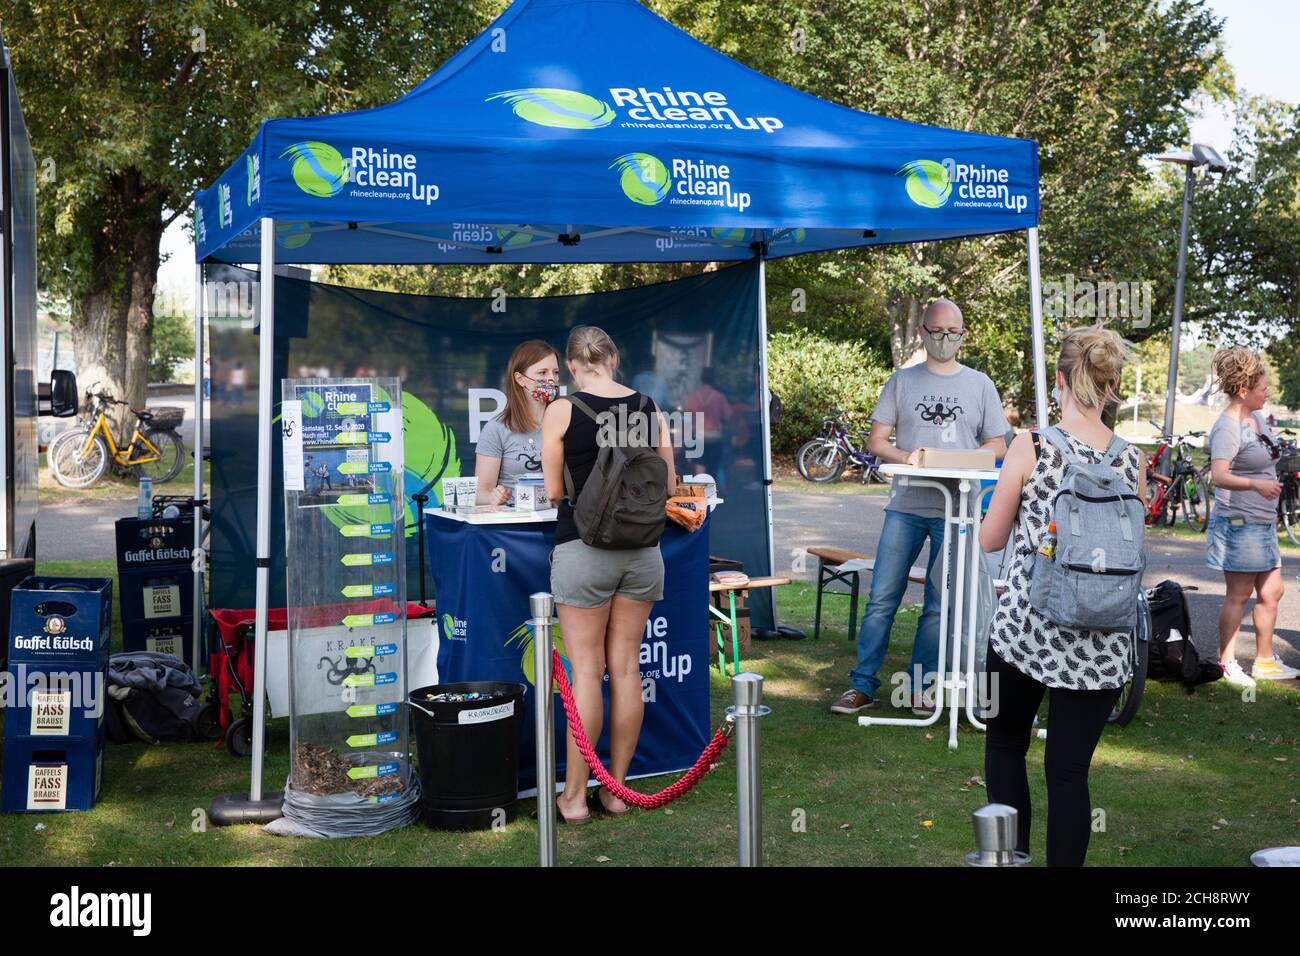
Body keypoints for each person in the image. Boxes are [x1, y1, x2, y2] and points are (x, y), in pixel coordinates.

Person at [979, 326, 1144, 866]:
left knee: (1005, 745)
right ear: (1112, 381)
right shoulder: (1131, 460)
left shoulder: (1031, 445)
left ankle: (1009, 859)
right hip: (1105, 638)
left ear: (1058, 381)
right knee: (1069, 773)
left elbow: (991, 538)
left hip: (1028, 628)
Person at [831, 299, 1008, 715]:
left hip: (956, 509)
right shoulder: (902, 381)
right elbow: (876, 441)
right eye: (938, 332)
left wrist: (967, 459)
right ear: (922, 333)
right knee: (883, 597)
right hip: (907, 504)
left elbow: (997, 444)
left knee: (938, 602)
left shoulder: (980, 384)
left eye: (953, 333)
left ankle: (919, 686)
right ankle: (862, 684)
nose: (945, 340)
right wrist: (907, 456)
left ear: (962, 334)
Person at [541, 326, 676, 823]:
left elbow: (555, 491)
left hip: (583, 550)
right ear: (614, 358)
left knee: (585, 674)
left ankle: (574, 798)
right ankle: (616, 790)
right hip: (643, 552)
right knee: (625, 670)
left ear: (573, 367)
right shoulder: (648, 407)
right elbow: (671, 481)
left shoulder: (562, 410)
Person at [1206, 347, 1298, 687]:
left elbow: (1268, 455)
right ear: (1244, 391)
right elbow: (1219, 474)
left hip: (1262, 521)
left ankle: (1264, 661)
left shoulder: (1256, 419)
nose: (1267, 392)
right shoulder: (1227, 427)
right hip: (1239, 524)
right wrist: (1257, 485)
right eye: (1262, 387)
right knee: (1239, 595)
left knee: (1272, 591)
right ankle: (1227, 662)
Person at [476, 341, 560, 504]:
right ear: (520, 379)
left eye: (555, 372)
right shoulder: (497, 428)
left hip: (558, 521)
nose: (551, 379)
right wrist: (493, 497)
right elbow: (480, 493)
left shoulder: (567, 423)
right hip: (516, 524)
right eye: (542, 373)